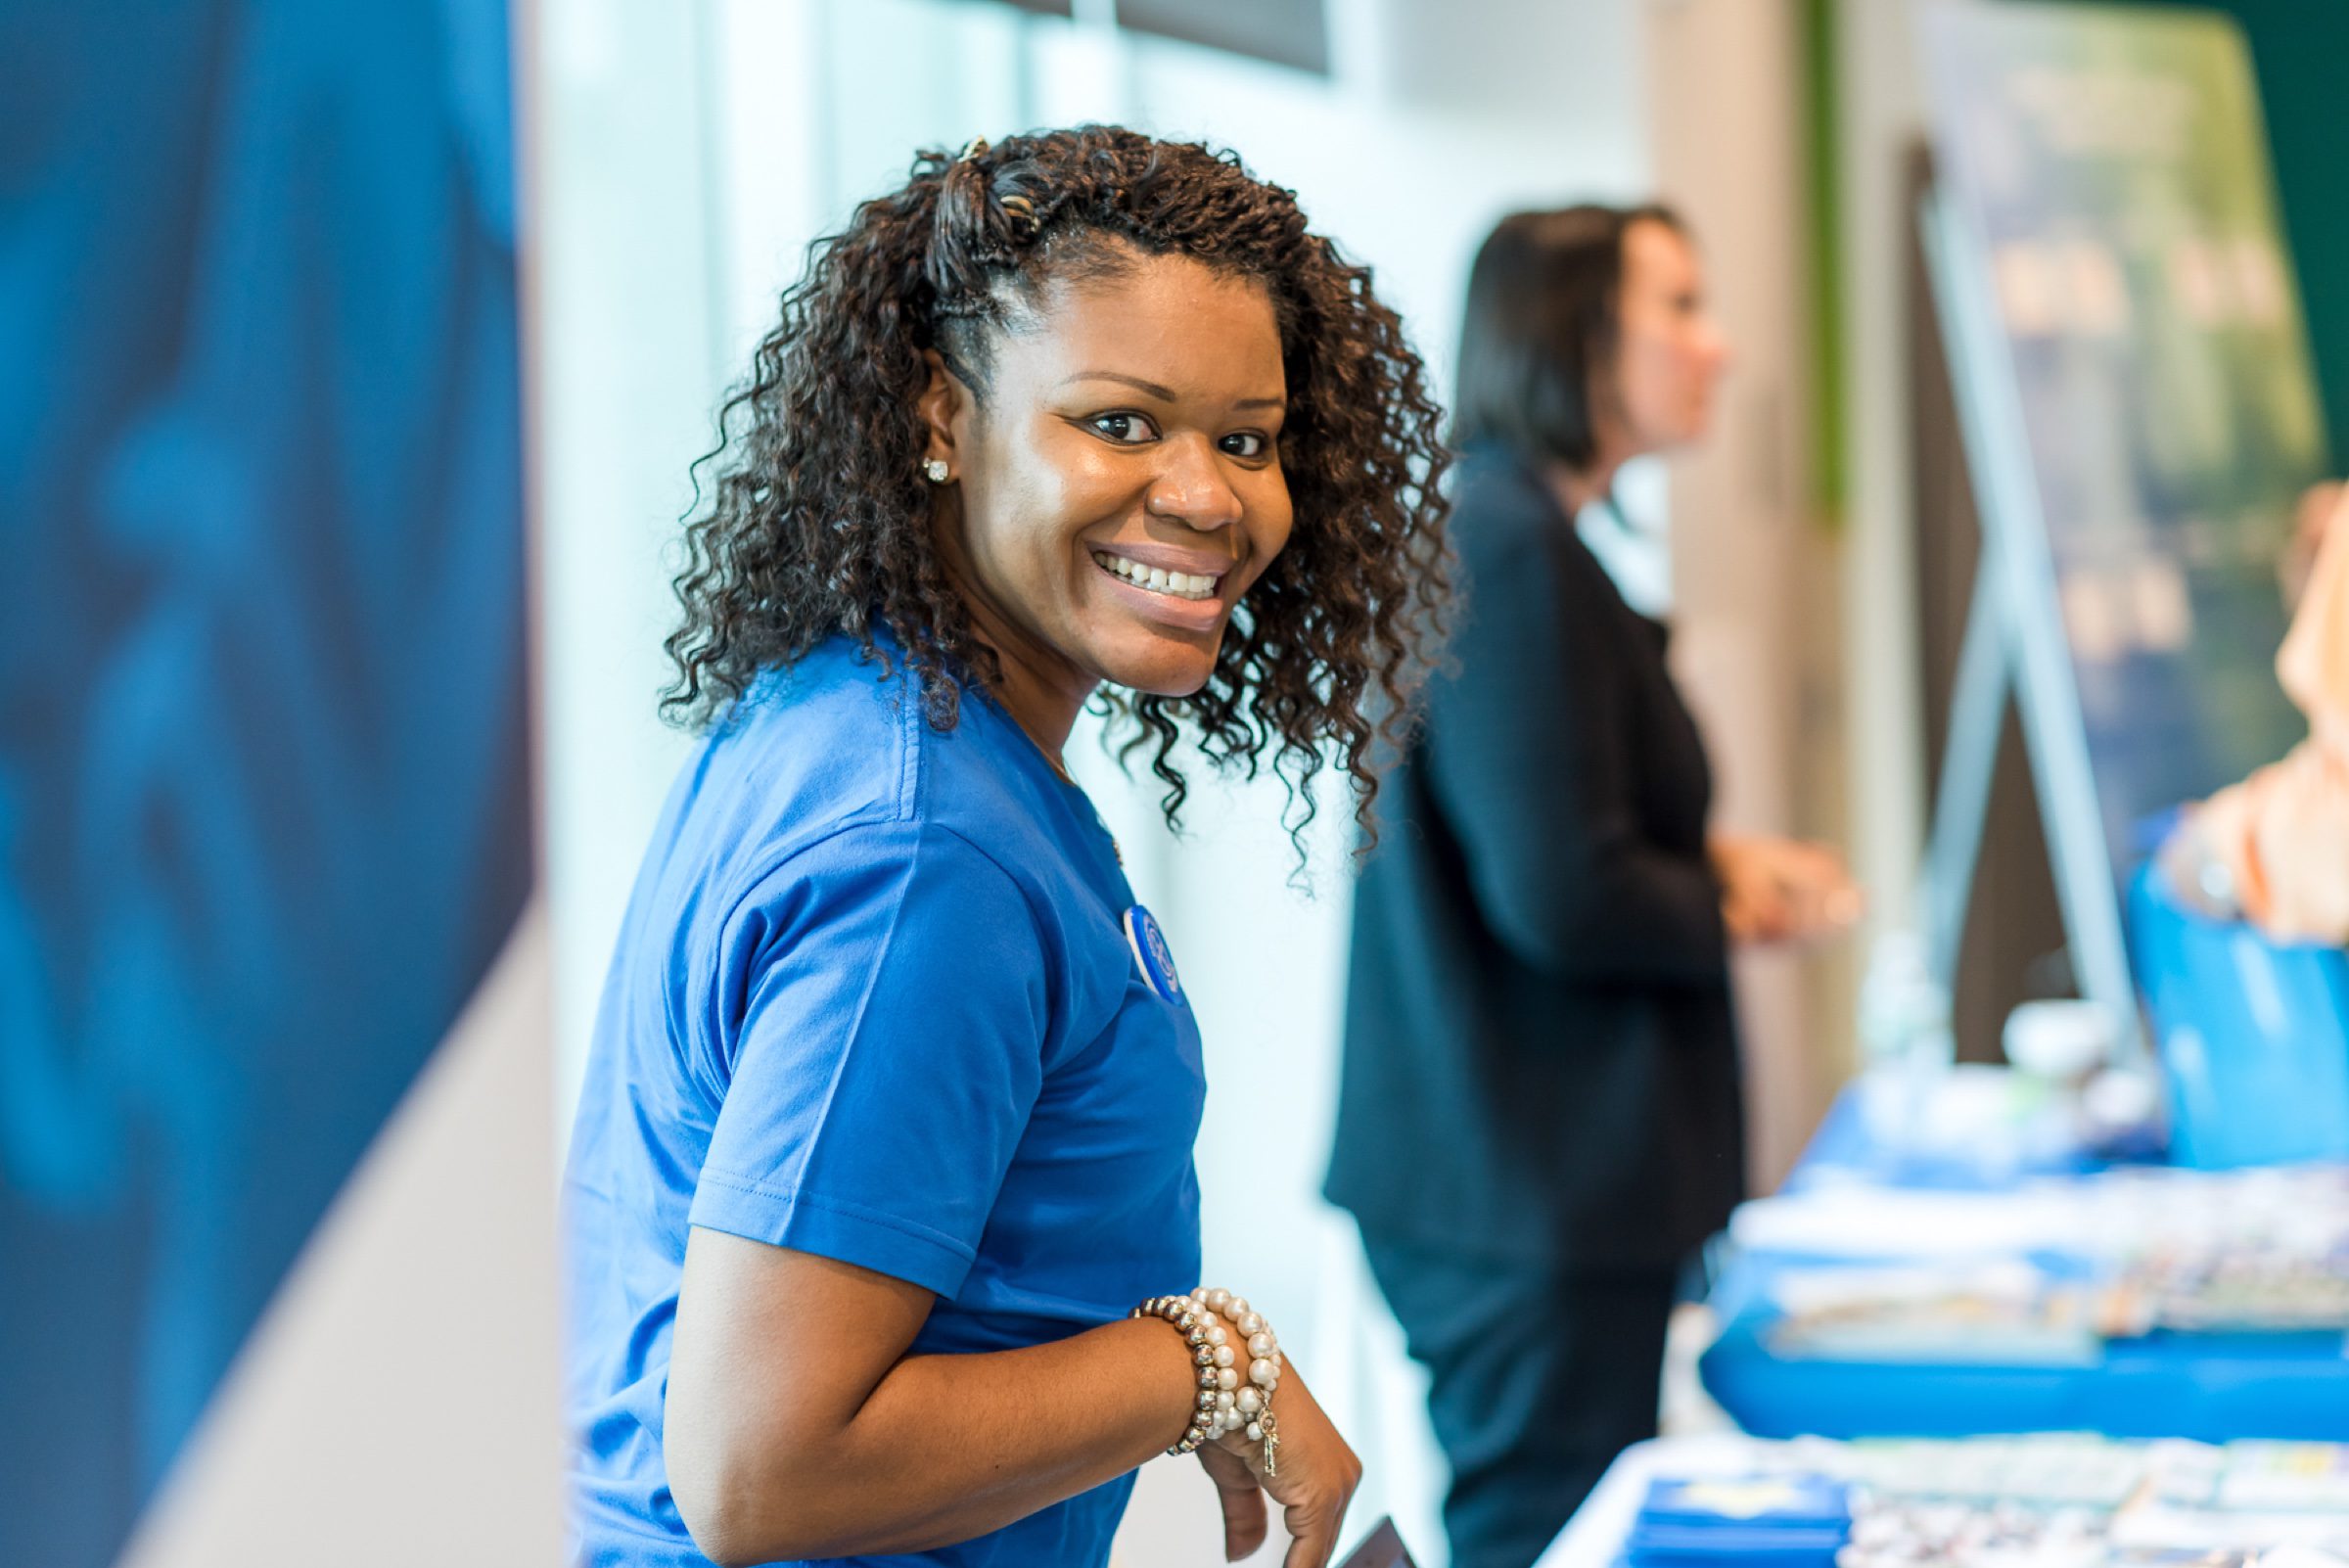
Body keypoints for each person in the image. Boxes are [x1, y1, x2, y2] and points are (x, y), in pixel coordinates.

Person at [560, 127, 1450, 1568]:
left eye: (1246, 437)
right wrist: (1203, 1364)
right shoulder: (929, 849)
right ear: (942, 417)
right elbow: (758, 1467)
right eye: (1118, 421)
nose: (1210, 496)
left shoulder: (865, 718)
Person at [1324, 204, 1856, 1568]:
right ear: (1573, 336)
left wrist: (1718, 868)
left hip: (1536, 1180)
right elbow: (1565, 892)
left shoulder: (1519, 537)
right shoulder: (1506, 547)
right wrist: (1739, 906)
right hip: (1525, 1189)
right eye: (1678, 309)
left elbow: (1557, 826)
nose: (1718, 349)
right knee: (1539, 1537)